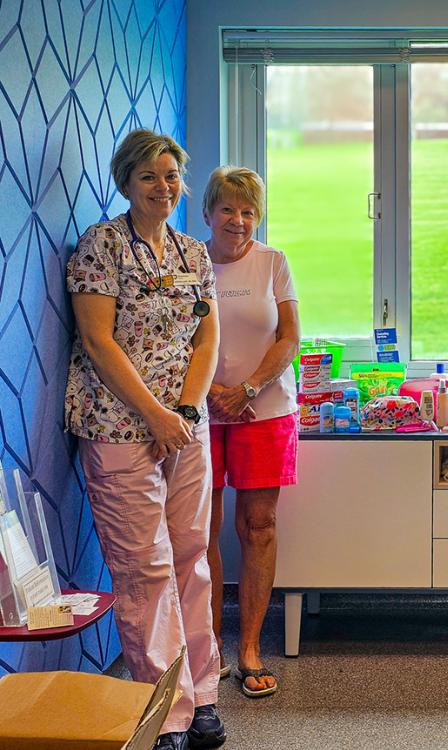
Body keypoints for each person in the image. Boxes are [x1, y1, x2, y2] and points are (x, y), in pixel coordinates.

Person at [65, 129, 225, 750]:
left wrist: (182, 410)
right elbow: (98, 341)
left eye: (171, 176)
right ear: (125, 182)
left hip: (185, 427)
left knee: (190, 557)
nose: (164, 188)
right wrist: (155, 415)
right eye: (149, 177)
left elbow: (206, 339)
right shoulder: (101, 246)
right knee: (145, 569)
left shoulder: (192, 253)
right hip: (120, 427)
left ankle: (203, 692)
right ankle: (167, 712)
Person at [203, 166, 300, 699]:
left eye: (249, 211)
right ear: (209, 213)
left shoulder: (273, 263)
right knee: (203, 532)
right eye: (228, 209)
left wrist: (248, 388)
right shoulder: (189, 261)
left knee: (257, 525)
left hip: (263, 412)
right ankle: (211, 644)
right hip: (199, 414)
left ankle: (250, 650)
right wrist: (211, 394)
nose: (238, 221)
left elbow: (290, 338)